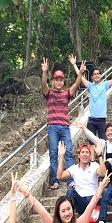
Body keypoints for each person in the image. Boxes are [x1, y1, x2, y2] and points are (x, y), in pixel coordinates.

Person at [42, 57, 85, 190]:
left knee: (68, 153)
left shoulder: (67, 93)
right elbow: (43, 84)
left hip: (65, 127)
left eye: (61, 80)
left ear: (63, 81)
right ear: (53, 81)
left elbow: (76, 84)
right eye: (57, 80)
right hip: (52, 127)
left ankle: (71, 180)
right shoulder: (49, 93)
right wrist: (44, 72)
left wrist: (80, 73)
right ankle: (56, 181)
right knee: (53, 154)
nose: (59, 82)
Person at [69, 55, 112, 155]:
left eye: (98, 74)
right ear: (92, 77)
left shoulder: (105, 85)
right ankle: (92, 160)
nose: (96, 75)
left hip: (102, 119)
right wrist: (74, 64)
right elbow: (80, 77)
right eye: (94, 74)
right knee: (91, 142)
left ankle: (103, 159)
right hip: (92, 119)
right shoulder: (90, 86)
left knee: (103, 141)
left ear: (100, 75)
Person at [57, 140, 107, 221]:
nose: (84, 154)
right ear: (79, 155)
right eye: (82, 152)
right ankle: (70, 221)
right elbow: (59, 176)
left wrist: (100, 155)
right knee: (70, 191)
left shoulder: (94, 166)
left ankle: (102, 221)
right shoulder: (74, 168)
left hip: (93, 200)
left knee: (104, 191)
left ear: (90, 156)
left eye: (87, 152)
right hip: (81, 202)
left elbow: (103, 173)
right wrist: (61, 156)